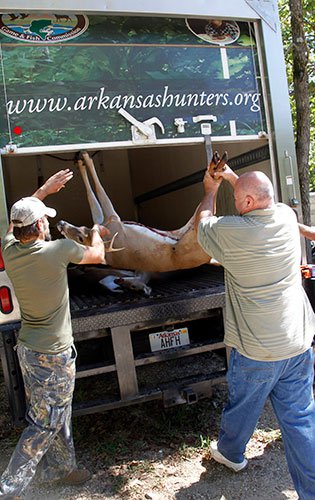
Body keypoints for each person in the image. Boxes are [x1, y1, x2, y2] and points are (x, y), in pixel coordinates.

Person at [195, 164, 315, 499]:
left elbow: (202, 223)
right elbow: (261, 197)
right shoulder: (286, 218)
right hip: (297, 343)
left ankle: (232, 454)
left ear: (247, 202)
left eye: (237, 198)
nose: (234, 202)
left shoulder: (234, 231)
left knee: (243, 403)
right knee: (300, 420)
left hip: (257, 349)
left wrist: (209, 189)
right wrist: (232, 177)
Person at [0, 169, 108, 499]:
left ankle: (62, 469)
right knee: (45, 422)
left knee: (56, 413)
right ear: (41, 226)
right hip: (54, 356)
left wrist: (43, 192)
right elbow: (99, 255)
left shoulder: (10, 251)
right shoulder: (59, 250)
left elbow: (12, 224)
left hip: (29, 351)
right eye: (44, 219)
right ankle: (10, 487)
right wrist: (97, 233)